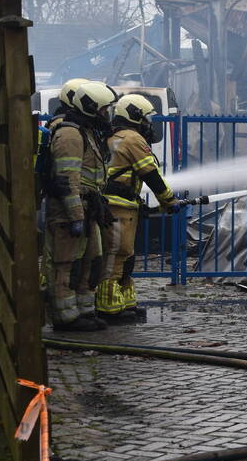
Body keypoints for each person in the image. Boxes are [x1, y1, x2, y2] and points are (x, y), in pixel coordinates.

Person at [97, 94, 179, 322]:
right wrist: (169, 201)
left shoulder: (115, 136)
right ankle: (108, 309)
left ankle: (123, 303)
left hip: (120, 205)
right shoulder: (132, 139)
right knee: (117, 254)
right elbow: (151, 175)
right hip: (118, 207)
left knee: (125, 255)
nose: (148, 125)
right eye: (145, 119)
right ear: (134, 117)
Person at [43, 80, 117, 331]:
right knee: (65, 265)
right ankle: (66, 318)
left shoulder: (84, 130)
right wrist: (75, 216)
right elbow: (68, 180)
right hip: (70, 211)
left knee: (90, 263)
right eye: (104, 109)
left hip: (88, 208)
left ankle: (85, 312)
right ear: (90, 108)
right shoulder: (70, 134)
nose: (107, 114)